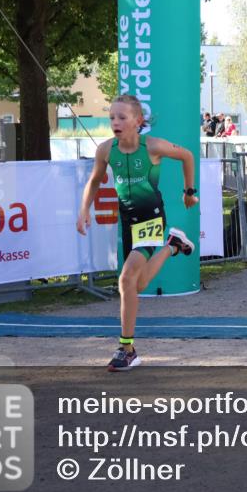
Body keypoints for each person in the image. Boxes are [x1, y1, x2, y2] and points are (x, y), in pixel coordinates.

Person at [77, 94, 197, 372]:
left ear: (138, 121)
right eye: (111, 118)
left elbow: (187, 156)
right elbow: (94, 181)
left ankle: (126, 348)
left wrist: (189, 191)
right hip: (128, 221)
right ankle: (173, 245)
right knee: (137, 285)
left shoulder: (152, 146)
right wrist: (84, 209)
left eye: (122, 117)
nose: (115, 122)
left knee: (125, 279)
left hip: (151, 217)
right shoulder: (106, 150)